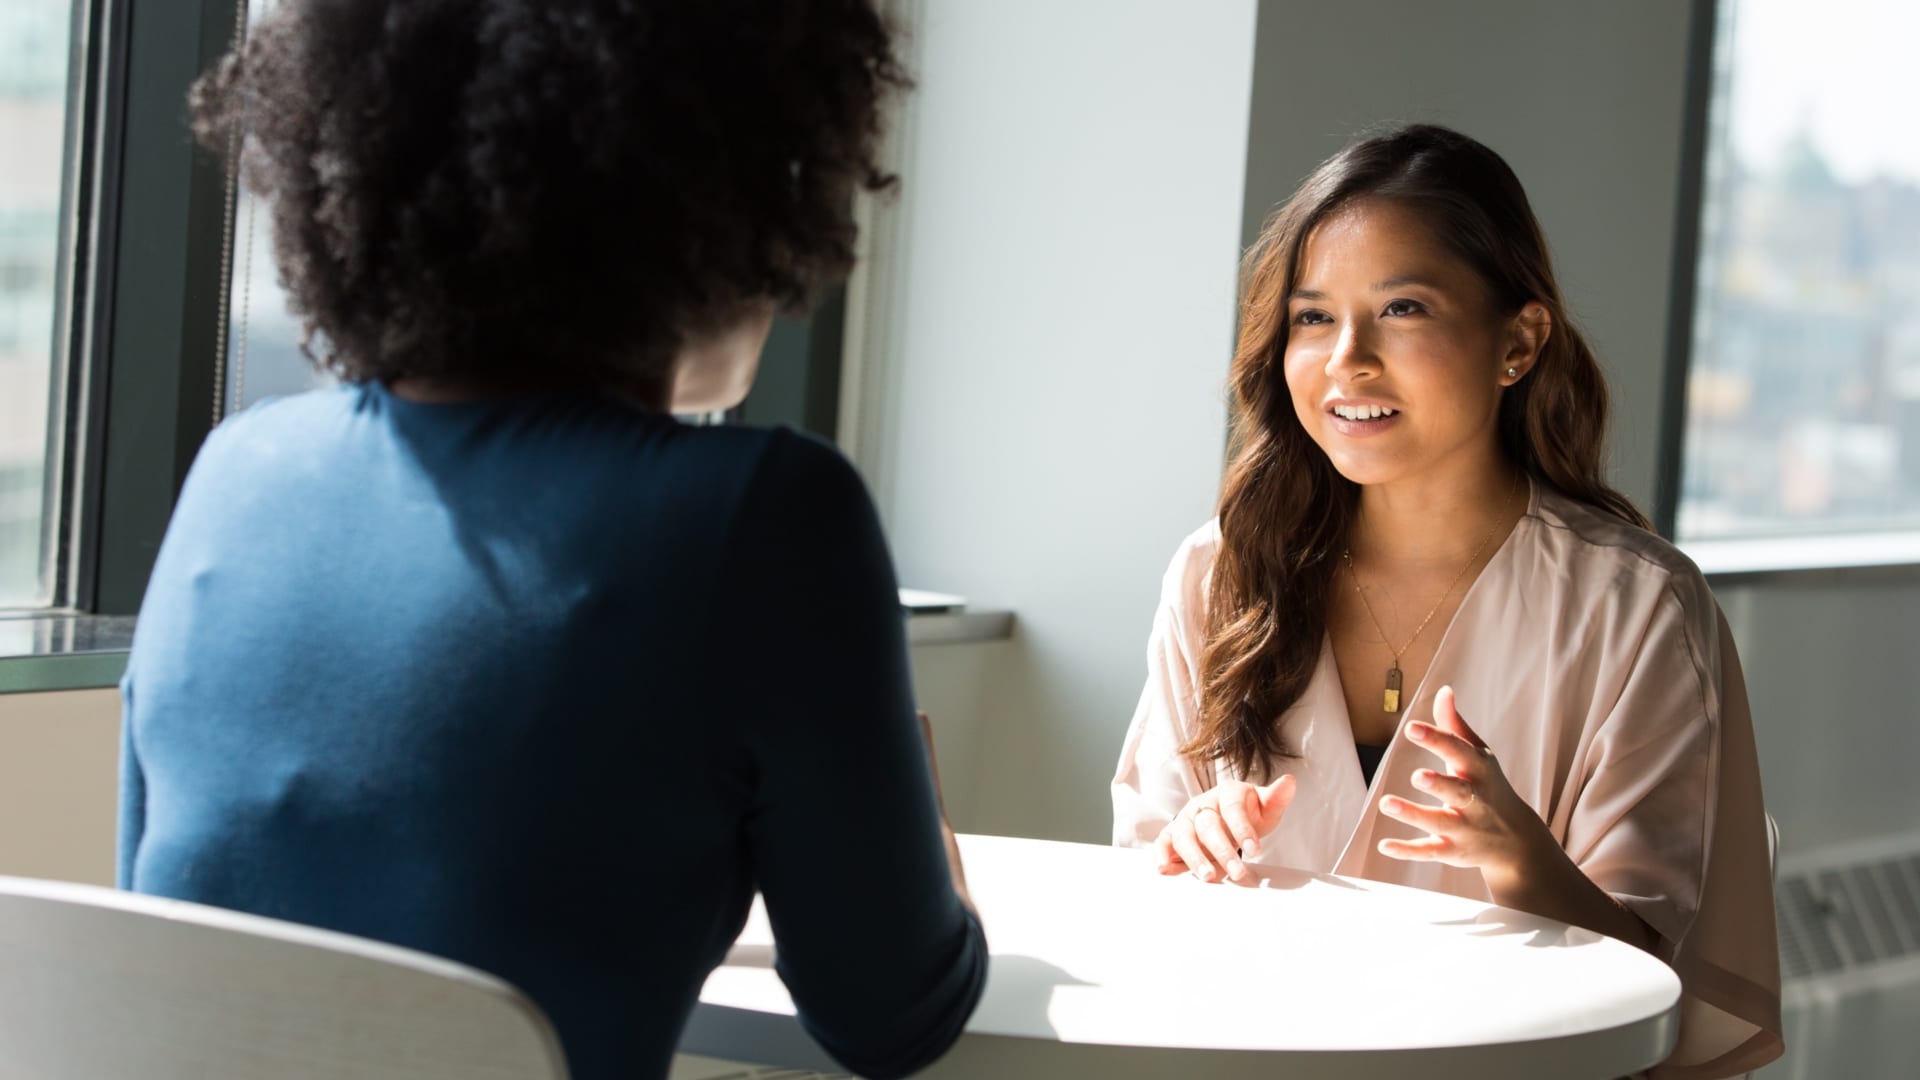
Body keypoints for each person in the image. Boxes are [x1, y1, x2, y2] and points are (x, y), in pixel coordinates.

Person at [116, 3, 985, 1078]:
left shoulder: (232, 477)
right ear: (725, 189)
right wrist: (925, 869)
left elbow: (158, 937)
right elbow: (890, 1018)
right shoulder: (765, 515)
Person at [1111, 124, 1781, 1077]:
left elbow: (1655, 996)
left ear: (1519, 341)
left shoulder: (1637, 609)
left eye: (1404, 308)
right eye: (1312, 318)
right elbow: (1140, 883)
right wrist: (1186, 846)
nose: (1348, 359)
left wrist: (1522, 862)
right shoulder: (1219, 573)